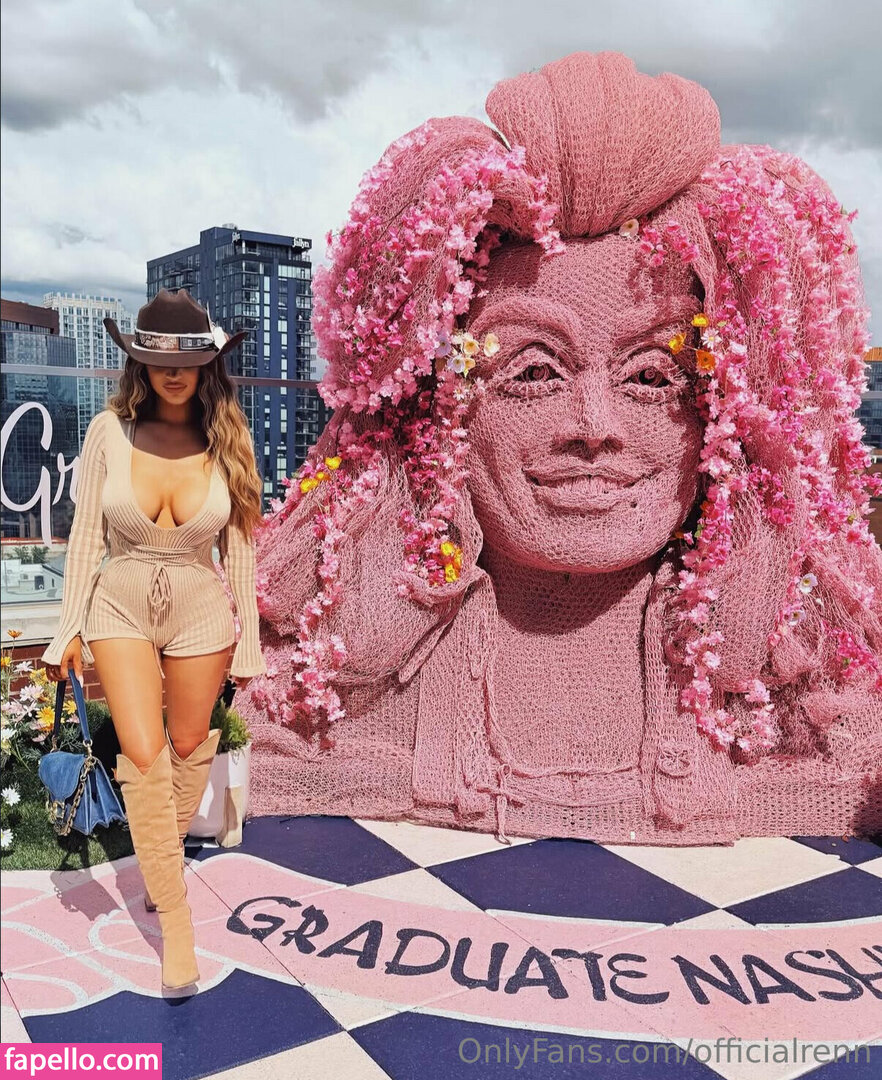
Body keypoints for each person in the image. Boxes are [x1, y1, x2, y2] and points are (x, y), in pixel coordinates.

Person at [239, 51, 881, 846]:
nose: (595, 424)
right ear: (441, 406)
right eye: (535, 371)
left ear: (723, 411)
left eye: (652, 377)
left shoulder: (811, 697)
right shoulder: (309, 689)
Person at [41, 288, 267, 989]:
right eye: (158, 359)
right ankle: (177, 923)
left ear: (206, 365)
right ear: (138, 363)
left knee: (191, 746)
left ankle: (157, 870)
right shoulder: (108, 432)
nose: (174, 373)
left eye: (189, 361)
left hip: (201, 609)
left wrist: (251, 642)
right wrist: (66, 629)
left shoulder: (229, 438)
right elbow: (85, 537)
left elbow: (240, 552)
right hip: (120, 605)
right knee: (143, 755)